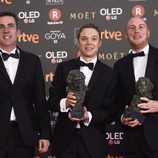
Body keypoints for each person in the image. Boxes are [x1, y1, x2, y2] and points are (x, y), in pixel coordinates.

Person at [47, 23, 118, 158]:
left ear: (100, 43)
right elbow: (51, 102)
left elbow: (111, 112)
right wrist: (65, 103)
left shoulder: (110, 74)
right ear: (78, 42)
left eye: (93, 38)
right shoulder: (63, 67)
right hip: (64, 140)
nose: (89, 43)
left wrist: (88, 116)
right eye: (84, 38)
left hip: (94, 142)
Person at [0, 11, 50, 158]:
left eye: (10, 26)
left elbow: (40, 100)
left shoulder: (32, 61)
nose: (6, 30)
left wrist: (45, 133)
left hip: (25, 134)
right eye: (1, 27)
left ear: (18, 31)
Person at [114, 16, 158, 158]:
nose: (136, 31)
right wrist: (122, 118)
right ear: (126, 35)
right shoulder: (119, 66)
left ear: (148, 32)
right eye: (132, 28)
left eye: (141, 27)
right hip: (131, 143)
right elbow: (116, 103)